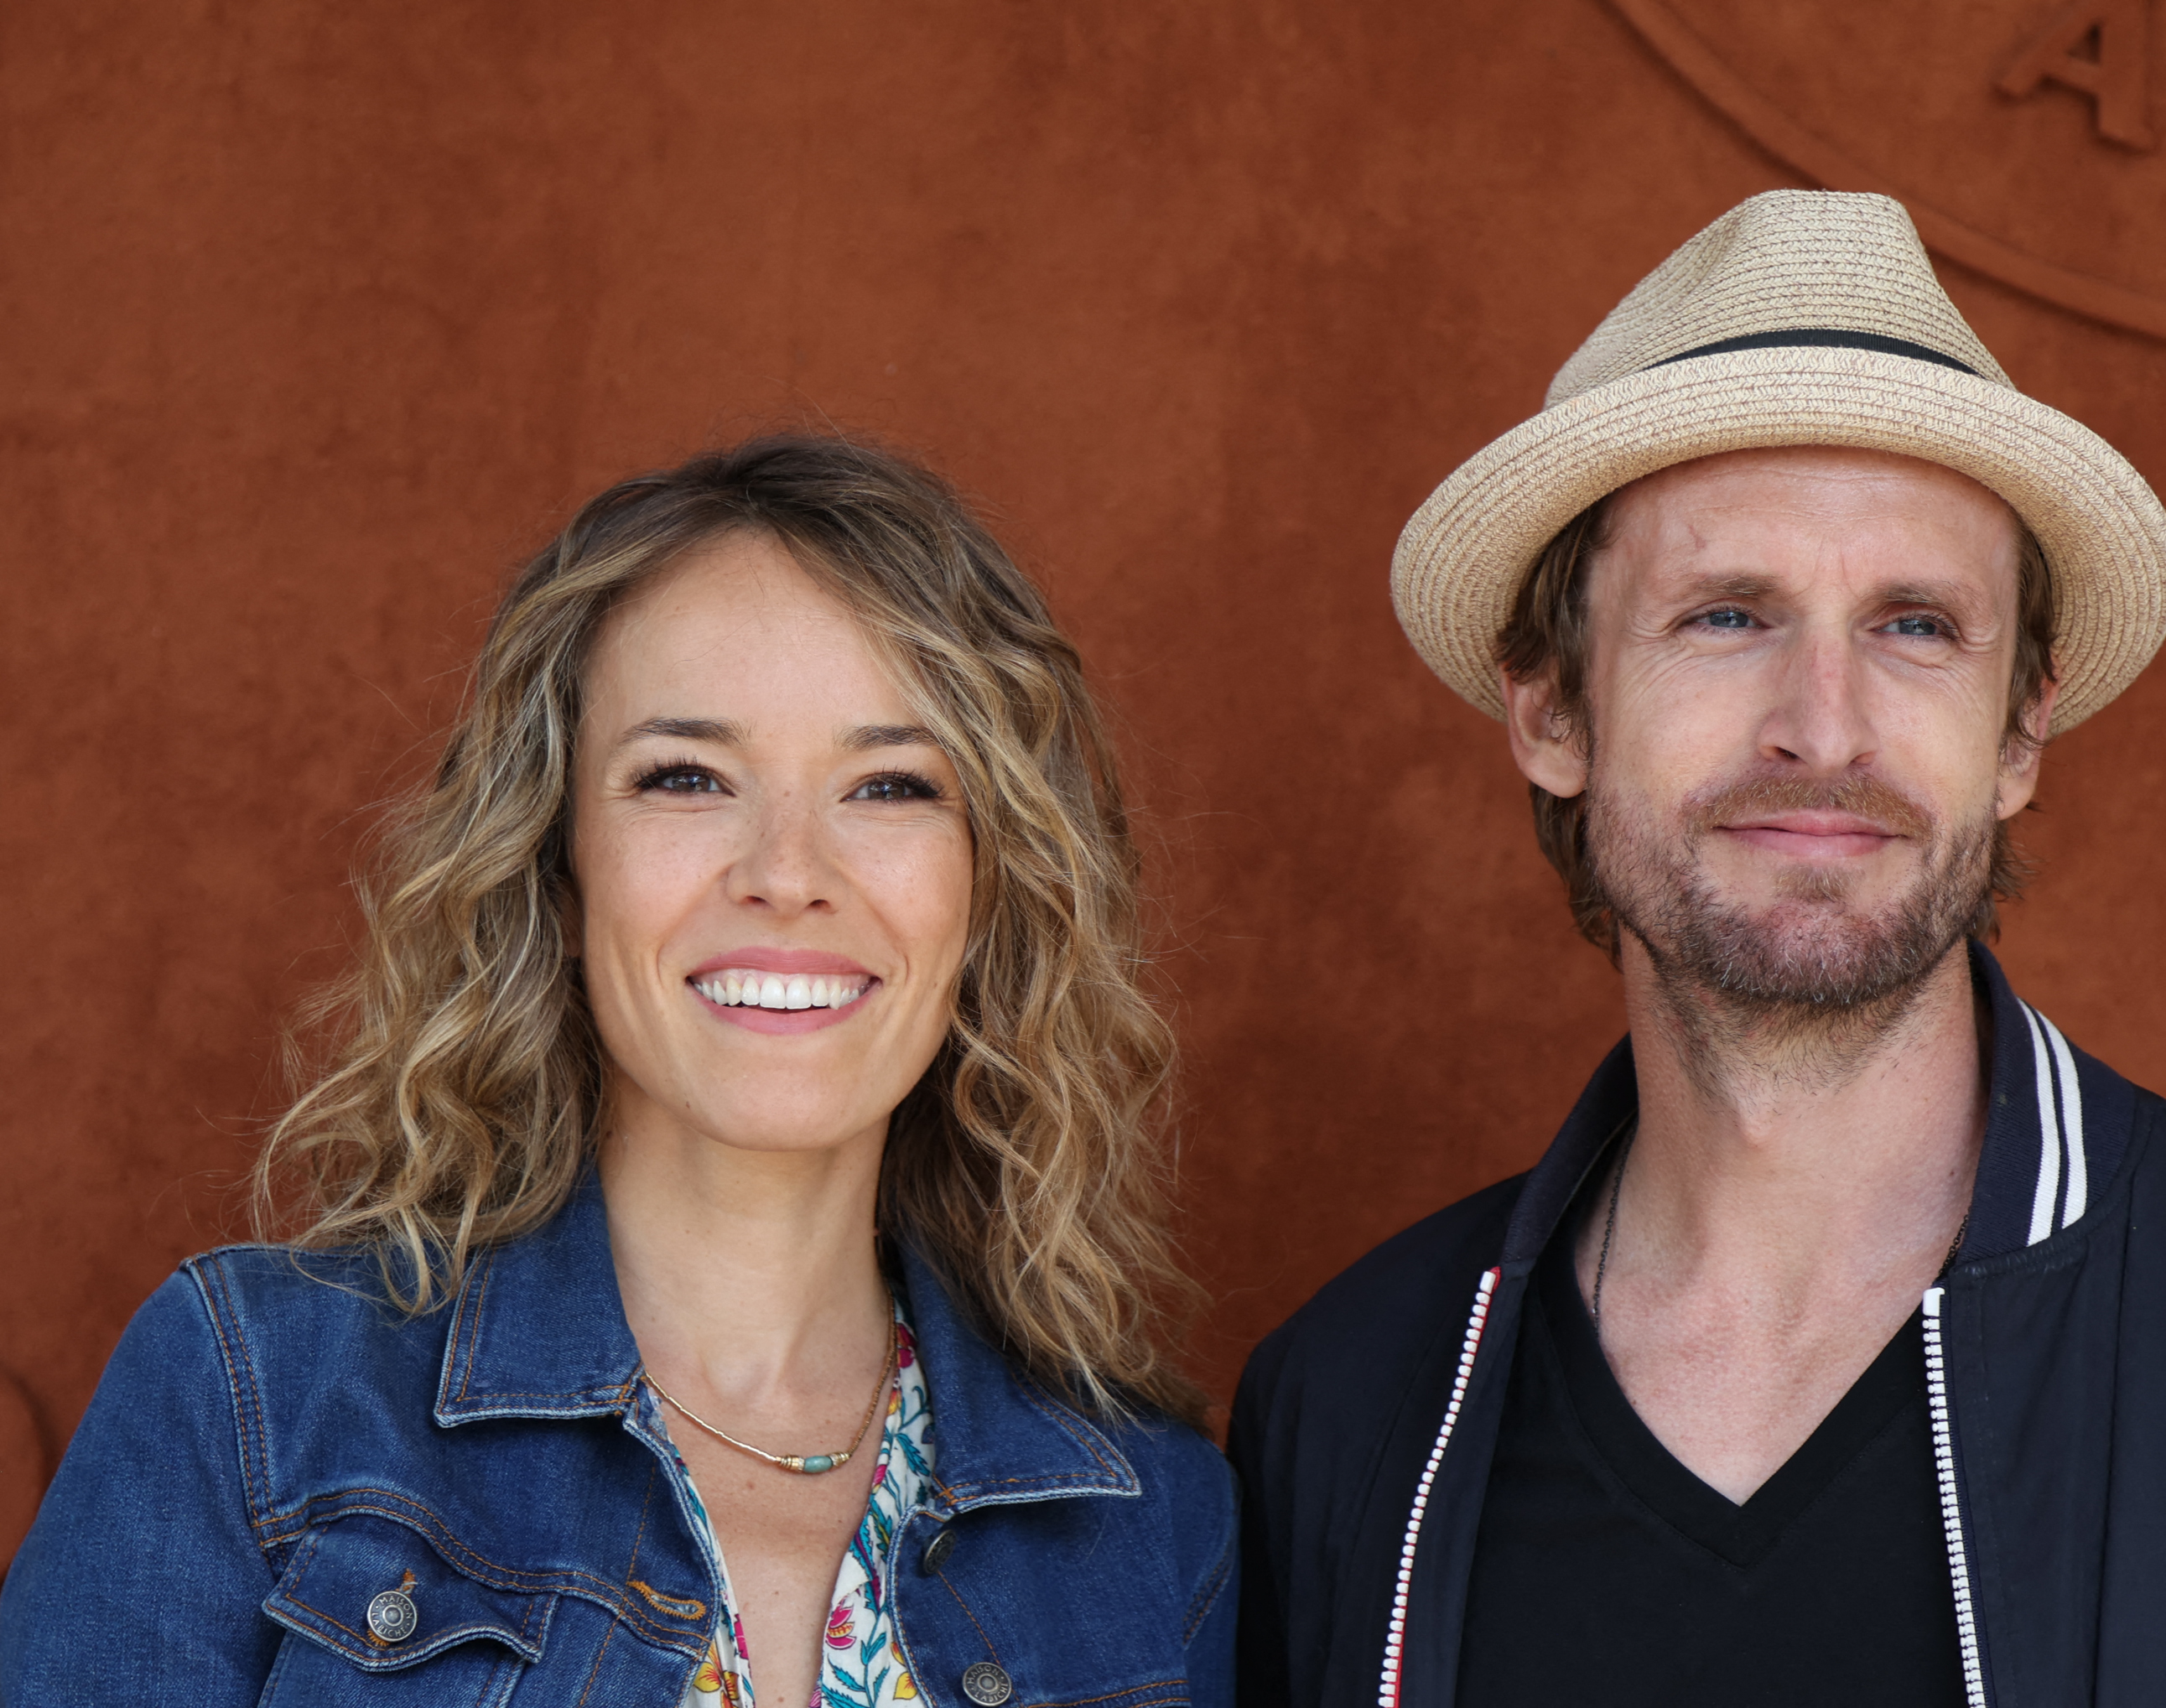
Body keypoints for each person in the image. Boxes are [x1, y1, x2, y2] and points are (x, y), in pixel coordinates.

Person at [1228, 191, 2166, 1705]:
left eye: (1916, 625)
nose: (1826, 726)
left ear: (2021, 733)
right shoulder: (1349, 1405)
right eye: (1727, 615)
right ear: (1551, 710)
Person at [0, 436, 1238, 1705]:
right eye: (686, 777)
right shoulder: (256, 1394)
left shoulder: (1151, 1513)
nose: (787, 872)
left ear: (991, 890)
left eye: (889, 785)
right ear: (556, 865)